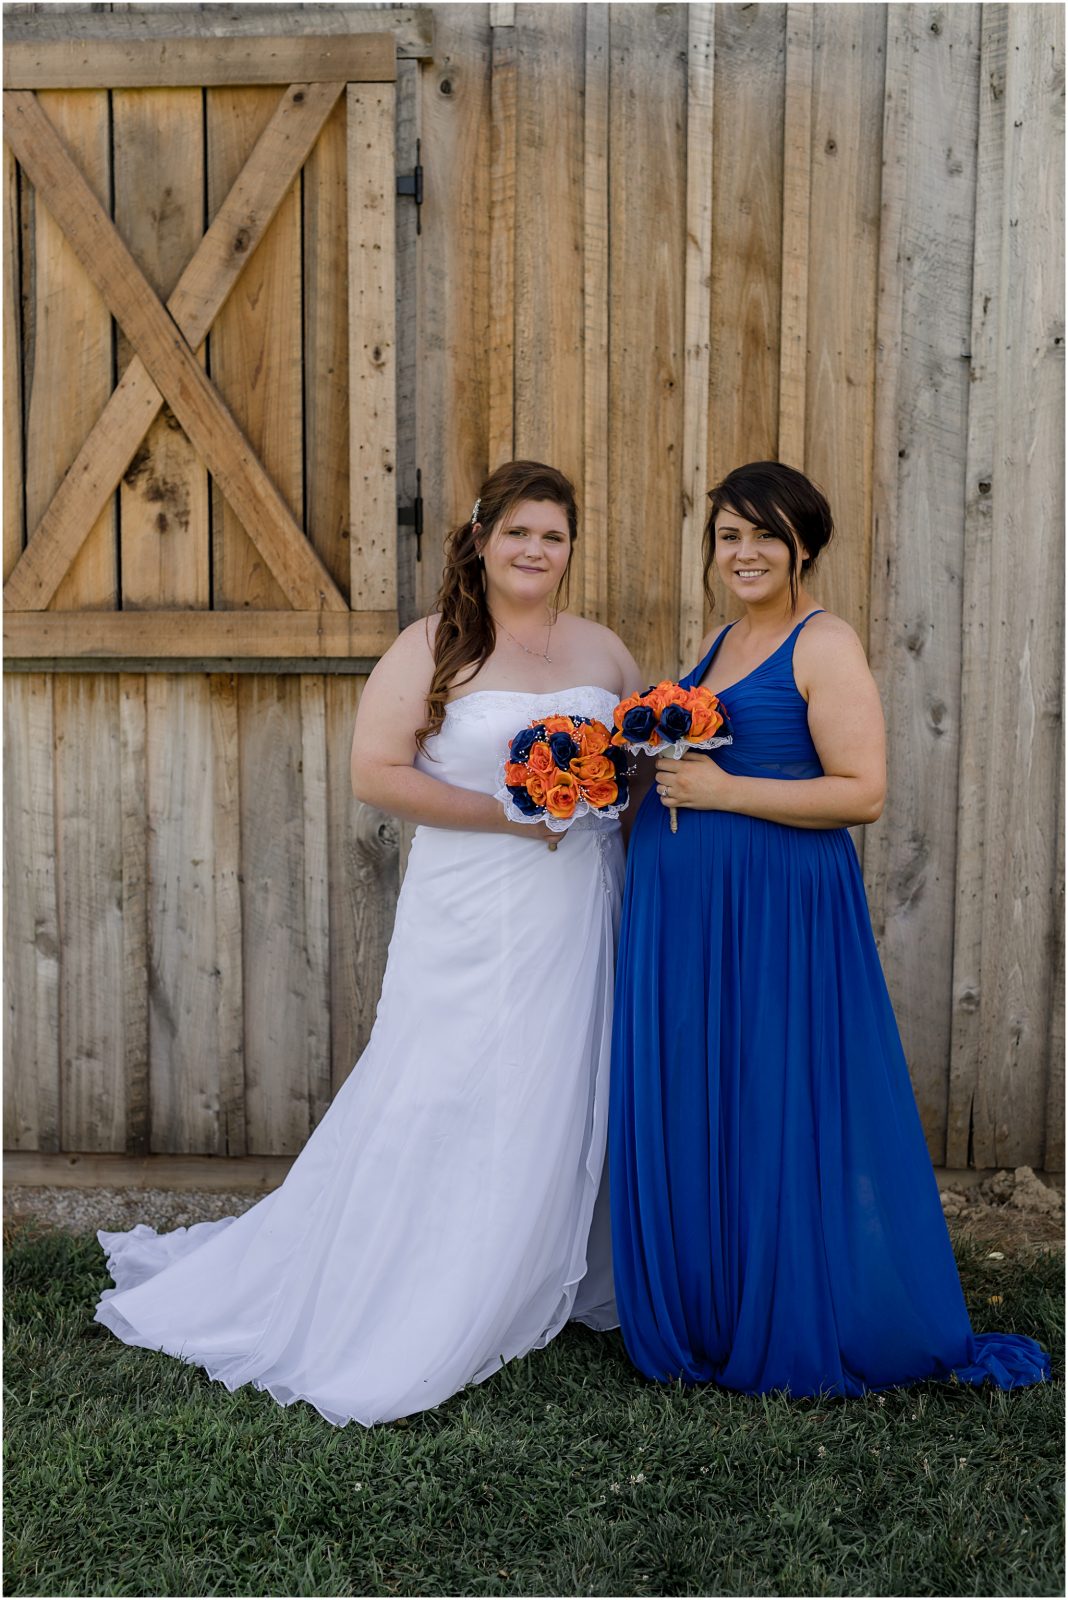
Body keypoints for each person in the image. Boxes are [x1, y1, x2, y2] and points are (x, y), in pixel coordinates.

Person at [96, 460, 642, 1426]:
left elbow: (634, 772)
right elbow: (377, 773)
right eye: (517, 531)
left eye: (553, 535)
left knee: (562, 1073)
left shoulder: (603, 653)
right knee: (446, 1077)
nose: (534, 550)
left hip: (579, 904)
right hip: (473, 902)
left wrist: (613, 800)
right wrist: (510, 814)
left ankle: (534, 1259)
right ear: (479, 540)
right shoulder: (433, 646)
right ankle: (422, 1283)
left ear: (569, 549)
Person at [609, 460, 1050, 1397]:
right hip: (689, 916)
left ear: (803, 544)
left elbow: (864, 791)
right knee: (709, 1091)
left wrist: (725, 791)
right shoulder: (717, 641)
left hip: (775, 911)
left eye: (765, 534)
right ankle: (713, 1305)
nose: (745, 552)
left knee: (774, 1093)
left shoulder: (823, 642)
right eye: (729, 535)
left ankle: (794, 1308)